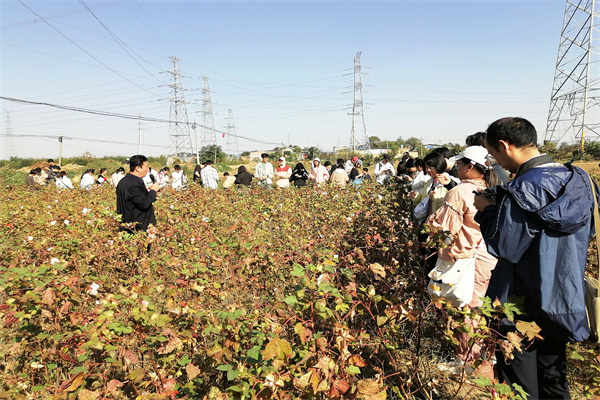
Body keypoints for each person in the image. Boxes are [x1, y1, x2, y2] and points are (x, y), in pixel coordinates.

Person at [474, 117, 594, 399]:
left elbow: (506, 247)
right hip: (563, 296)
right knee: (554, 377)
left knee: (520, 383)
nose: (496, 163)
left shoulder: (521, 189)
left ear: (504, 145)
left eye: (493, 154)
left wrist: (488, 210)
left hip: (520, 300)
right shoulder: (581, 180)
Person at [116, 154, 160, 232]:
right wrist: (153, 191)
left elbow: (136, 199)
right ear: (138, 168)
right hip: (138, 228)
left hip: (126, 225)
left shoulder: (124, 181)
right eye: (146, 167)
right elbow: (144, 204)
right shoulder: (135, 183)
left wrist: (146, 192)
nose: (148, 170)